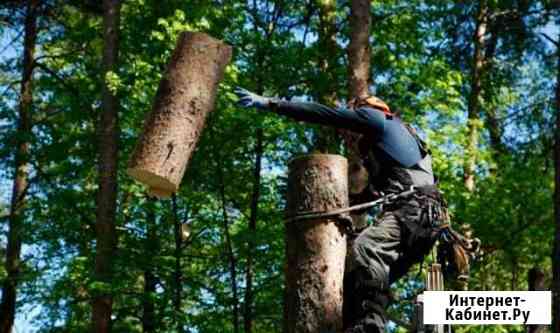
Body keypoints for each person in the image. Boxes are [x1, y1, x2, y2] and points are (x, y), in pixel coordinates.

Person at [234, 87, 451, 333]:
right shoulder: (396, 143)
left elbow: (324, 113)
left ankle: (369, 328)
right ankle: (356, 324)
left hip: (413, 213)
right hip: (425, 224)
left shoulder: (376, 119)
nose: (349, 134)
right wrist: (342, 201)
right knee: (358, 280)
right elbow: (376, 193)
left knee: (366, 250)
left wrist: (272, 103)